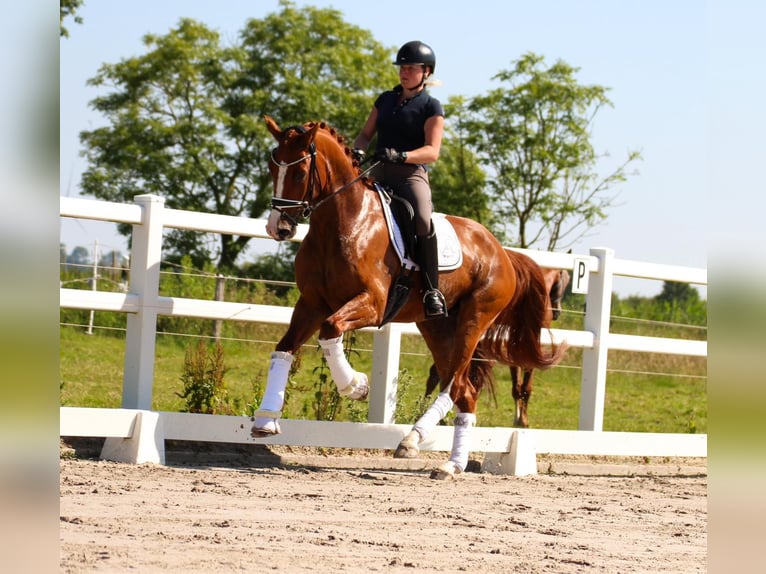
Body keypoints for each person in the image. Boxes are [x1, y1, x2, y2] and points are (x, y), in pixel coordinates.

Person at [354, 40, 447, 318]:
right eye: (402, 67)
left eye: (410, 68)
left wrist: (402, 155)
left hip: (409, 175)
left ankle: (432, 290)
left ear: (426, 72)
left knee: (421, 216)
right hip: (379, 170)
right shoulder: (384, 100)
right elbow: (365, 135)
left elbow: (432, 151)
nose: (404, 72)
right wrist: (357, 152)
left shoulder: (431, 106)